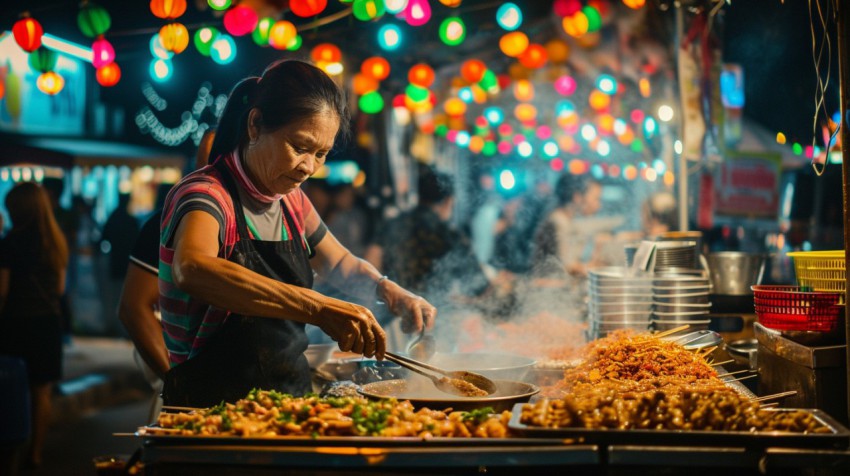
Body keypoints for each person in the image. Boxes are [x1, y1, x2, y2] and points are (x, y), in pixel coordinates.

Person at [158, 59, 436, 407]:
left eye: (321, 153)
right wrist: (319, 308)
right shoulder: (206, 194)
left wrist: (390, 290)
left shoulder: (290, 200)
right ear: (255, 124)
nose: (309, 167)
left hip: (288, 402)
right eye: (300, 147)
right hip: (211, 408)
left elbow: (342, 265)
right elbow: (194, 268)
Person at [119, 129, 216, 420]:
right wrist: (176, 381)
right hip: (188, 390)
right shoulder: (163, 222)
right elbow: (133, 307)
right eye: (207, 164)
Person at [0, 182, 69, 468]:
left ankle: (11, 449)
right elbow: (61, 289)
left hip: (15, 324)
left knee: (11, 388)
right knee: (41, 391)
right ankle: (36, 452)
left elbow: (1, 292)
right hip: (47, 325)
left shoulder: (8, 244)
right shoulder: (55, 242)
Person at [366, 167, 491, 305]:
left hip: (390, 313)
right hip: (434, 317)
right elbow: (480, 288)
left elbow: (370, 264)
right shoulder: (451, 237)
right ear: (449, 201)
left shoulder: (390, 225)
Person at [531, 173, 604, 278]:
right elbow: (566, 267)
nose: (598, 205)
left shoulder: (566, 220)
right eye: (596, 198)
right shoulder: (557, 222)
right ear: (577, 197)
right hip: (549, 289)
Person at [98, 192, 140, 335]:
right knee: (124, 294)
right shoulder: (130, 220)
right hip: (128, 262)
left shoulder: (114, 217)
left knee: (114, 295)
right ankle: (121, 327)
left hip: (115, 261)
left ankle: (113, 325)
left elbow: (104, 237)